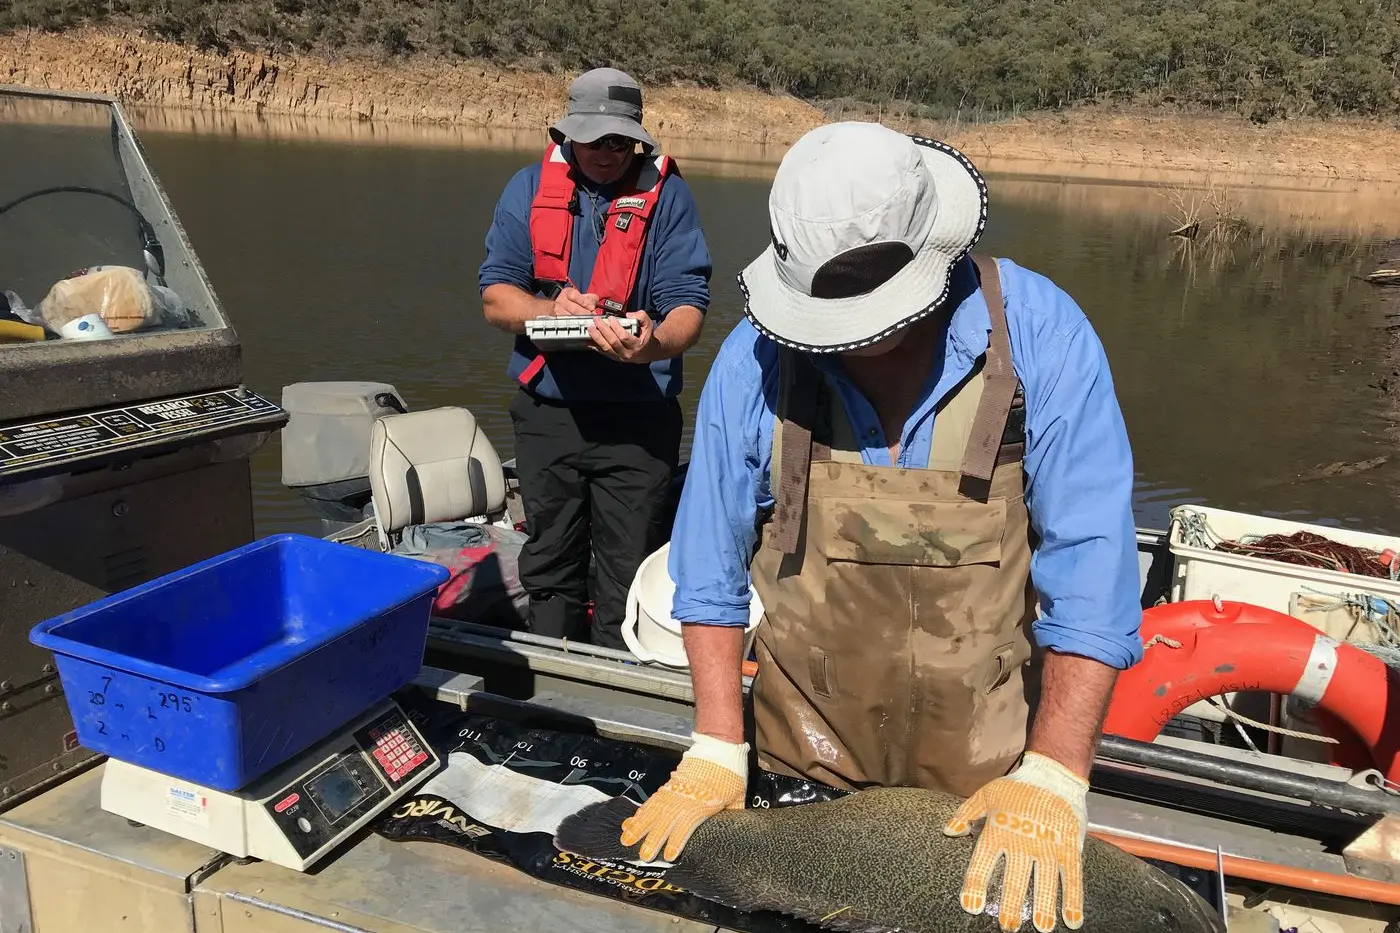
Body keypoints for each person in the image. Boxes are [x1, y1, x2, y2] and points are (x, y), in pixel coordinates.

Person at [619, 121, 1144, 933]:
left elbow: (1095, 573)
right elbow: (709, 567)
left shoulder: (1043, 333)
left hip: (993, 784)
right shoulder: (754, 360)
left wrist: (1056, 772)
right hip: (800, 767)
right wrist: (717, 744)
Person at [478, 67, 712, 649]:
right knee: (549, 563)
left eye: (618, 140)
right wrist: (552, 310)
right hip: (549, 412)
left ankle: (613, 692)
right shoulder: (528, 188)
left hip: (639, 419)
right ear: (567, 136)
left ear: (637, 138)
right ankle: (554, 693)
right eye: (592, 138)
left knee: (626, 571)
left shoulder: (670, 198)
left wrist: (651, 345)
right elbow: (495, 298)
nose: (606, 152)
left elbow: (688, 307)